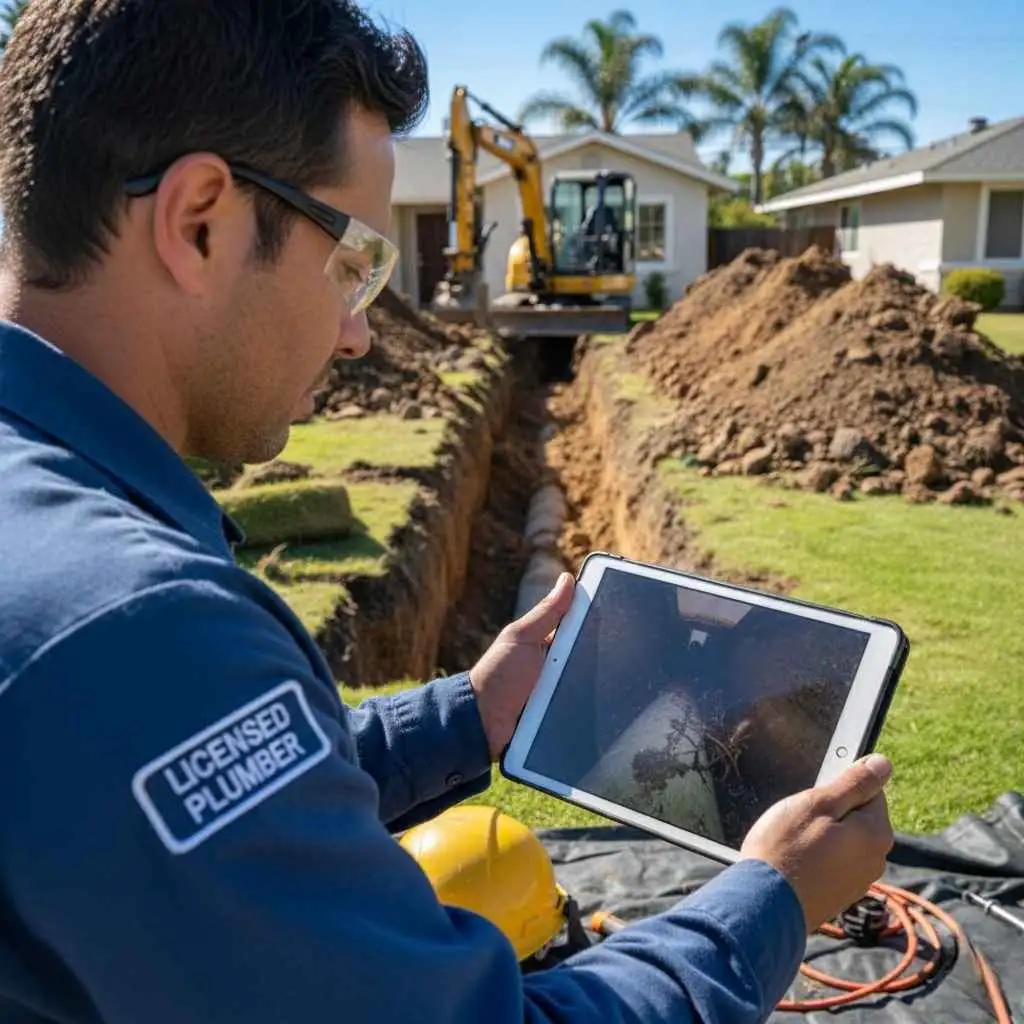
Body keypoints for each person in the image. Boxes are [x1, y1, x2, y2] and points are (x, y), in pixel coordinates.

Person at [0, 3, 895, 1022]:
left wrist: (470, 715)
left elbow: (219, 803)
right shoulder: (132, 628)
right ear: (200, 220)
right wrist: (772, 896)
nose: (354, 333)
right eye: (349, 266)